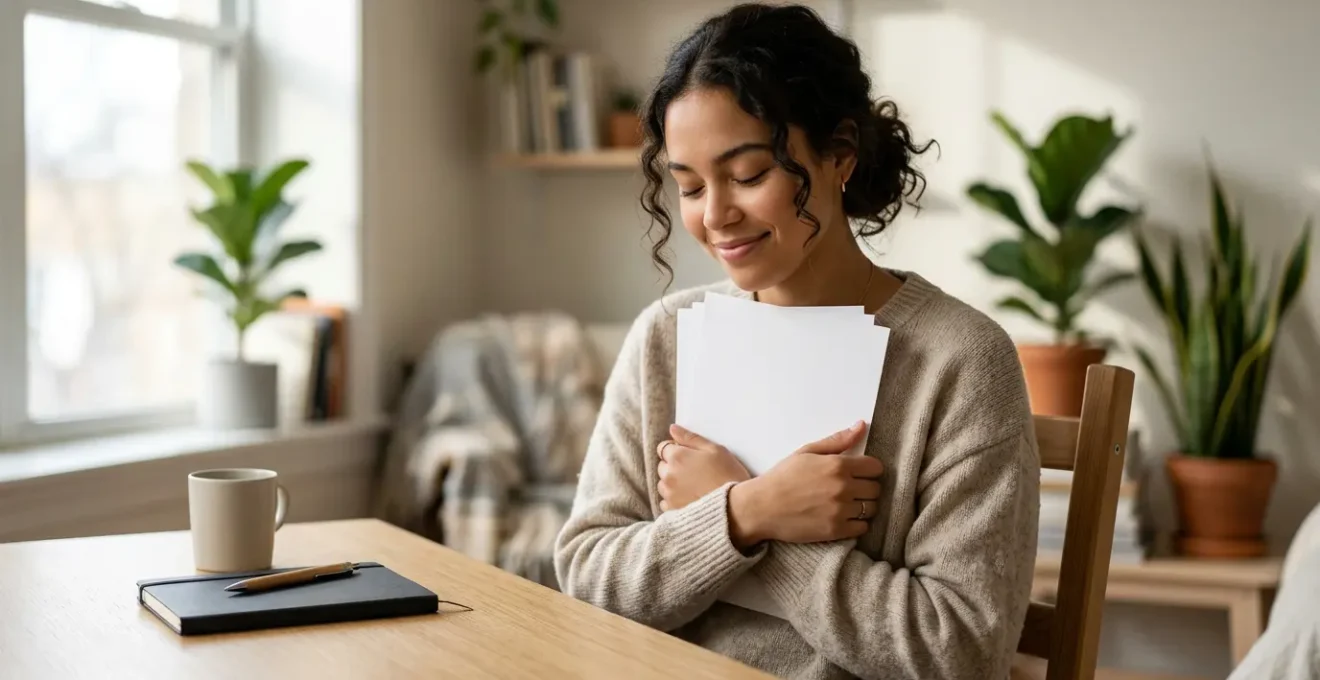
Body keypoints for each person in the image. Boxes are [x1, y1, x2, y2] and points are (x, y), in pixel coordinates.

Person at [553, 4, 1040, 679]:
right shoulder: (664, 336)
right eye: (689, 185)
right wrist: (745, 511)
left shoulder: (959, 359)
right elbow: (587, 572)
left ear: (839, 154)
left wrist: (761, 525)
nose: (715, 216)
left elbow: (961, 651)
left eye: (749, 175)